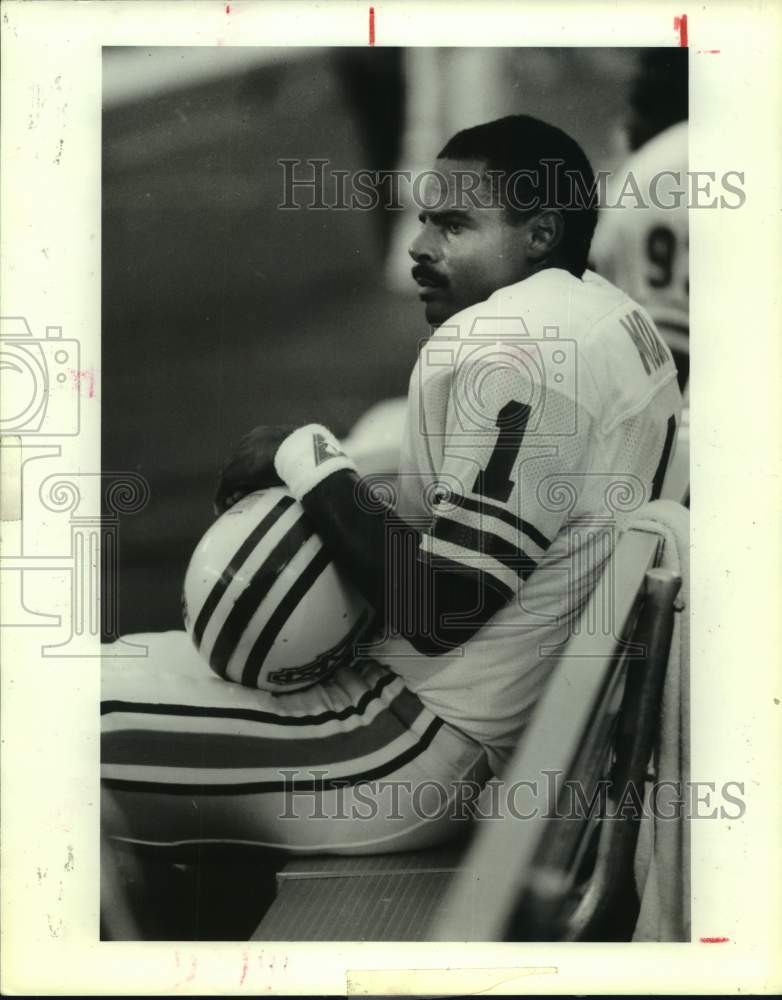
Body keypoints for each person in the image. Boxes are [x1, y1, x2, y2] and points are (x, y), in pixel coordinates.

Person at [102, 115, 682, 856]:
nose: (419, 246)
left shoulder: (521, 346)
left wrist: (308, 456)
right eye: (423, 218)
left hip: (407, 745)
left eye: (452, 225)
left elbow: (448, 605)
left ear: (537, 235)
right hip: (460, 724)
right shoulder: (597, 311)